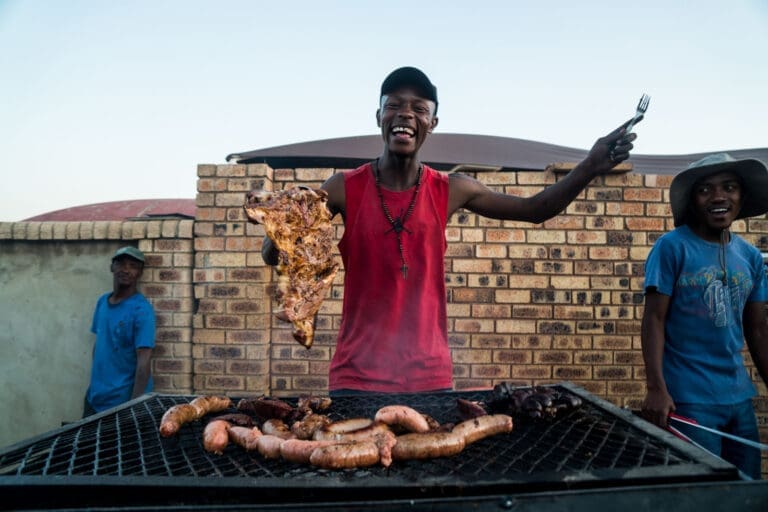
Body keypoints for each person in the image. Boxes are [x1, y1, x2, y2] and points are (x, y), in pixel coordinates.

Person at [261, 66, 640, 395]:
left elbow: (535, 210)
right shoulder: (343, 187)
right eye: (394, 105)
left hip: (428, 375)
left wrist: (590, 165)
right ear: (379, 116)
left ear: (432, 123)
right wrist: (284, 224)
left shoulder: (452, 189)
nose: (405, 114)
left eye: (419, 108)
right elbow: (270, 252)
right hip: (356, 375)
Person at [640, 153, 768, 480]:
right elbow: (654, 320)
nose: (719, 196)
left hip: (738, 397)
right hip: (688, 399)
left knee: (747, 490)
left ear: (742, 196)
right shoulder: (672, 247)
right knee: (705, 491)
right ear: (693, 201)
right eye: (705, 190)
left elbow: (757, 329)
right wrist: (656, 388)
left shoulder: (750, 257)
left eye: (729, 187)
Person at [83, 246, 156, 417]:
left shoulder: (141, 310)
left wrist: (134, 406)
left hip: (121, 403)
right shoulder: (102, 302)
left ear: (140, 273)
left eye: (133, 266)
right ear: (112, 267)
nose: (126, 270)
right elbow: (100, 345)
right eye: (121, 264)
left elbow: (144, 361)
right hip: (94, 398)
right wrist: (95, 385)